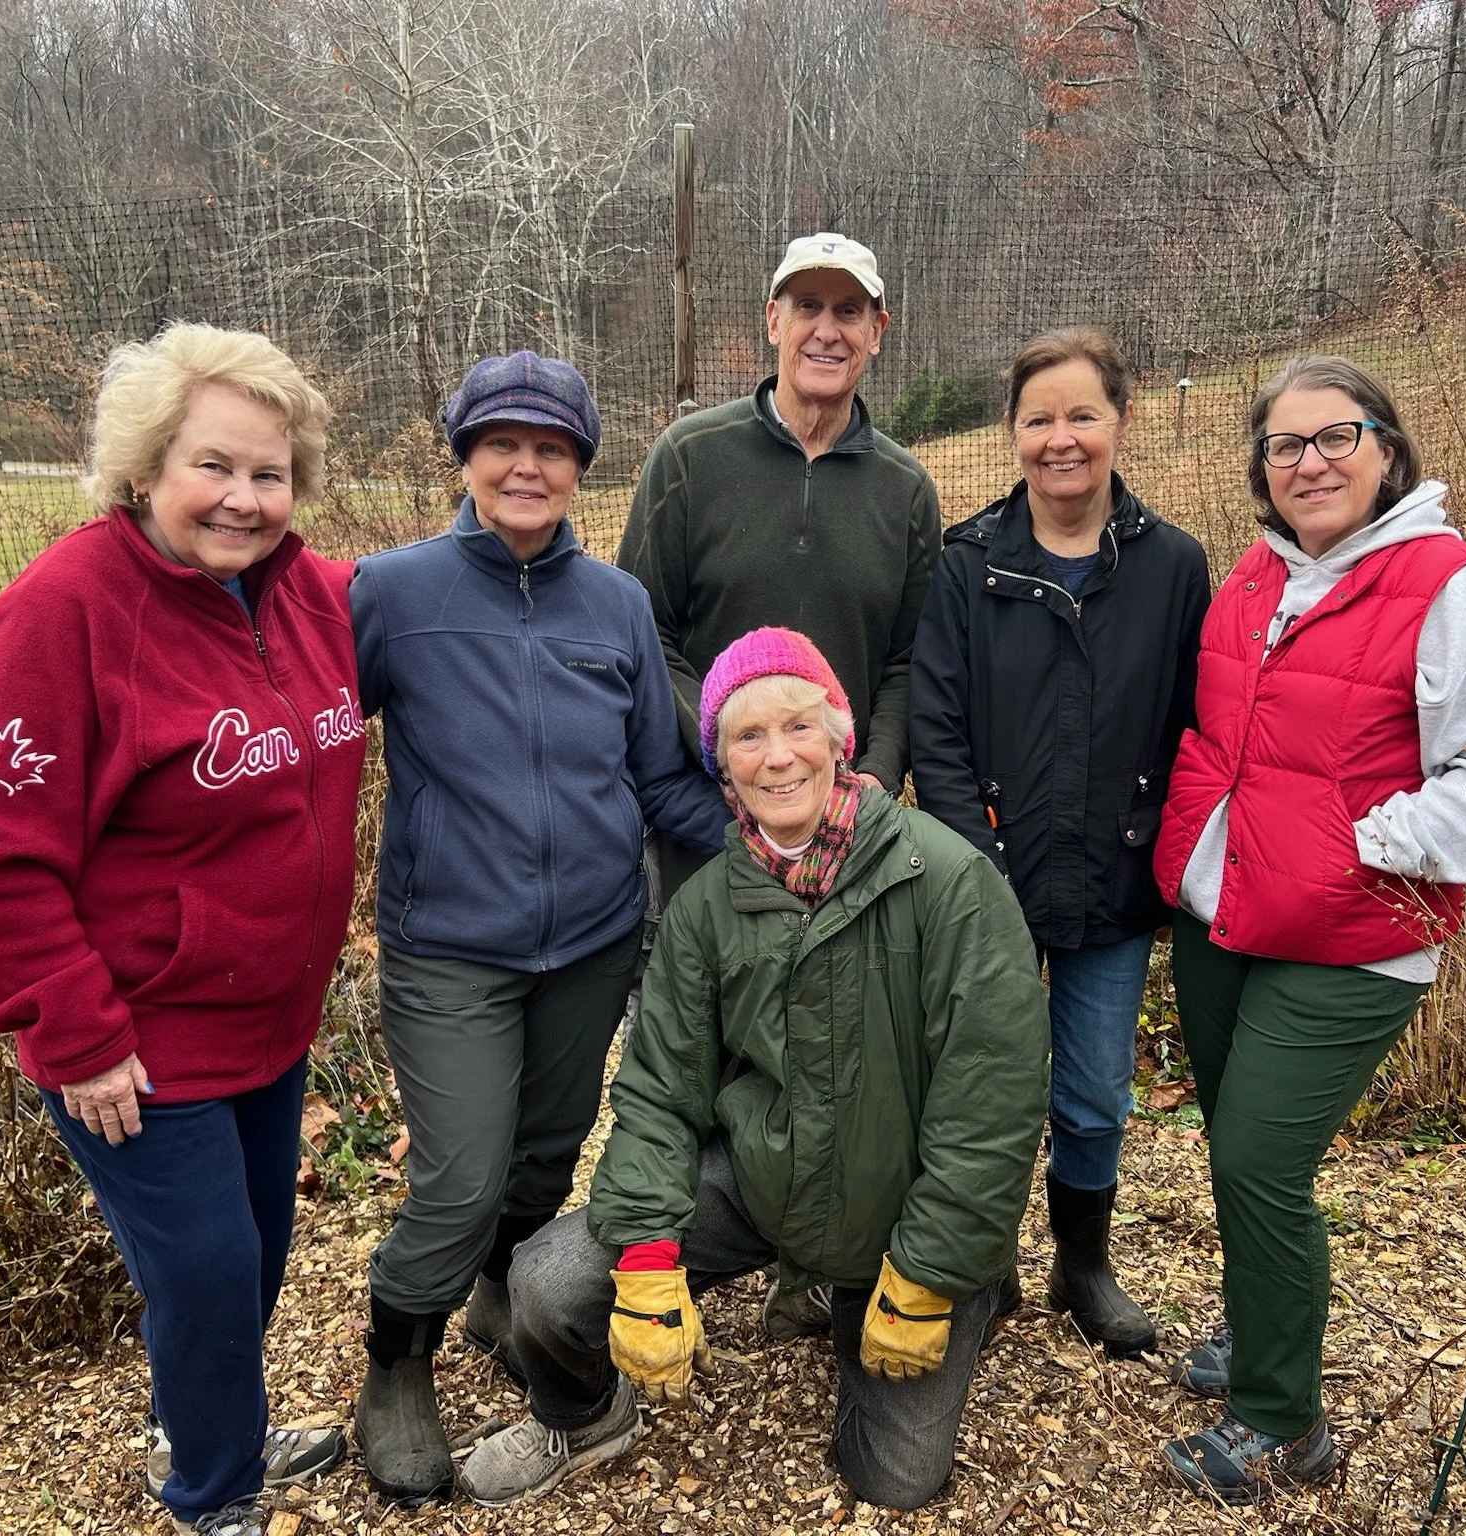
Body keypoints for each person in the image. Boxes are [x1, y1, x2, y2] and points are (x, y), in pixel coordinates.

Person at [0, 323, 360, 1536]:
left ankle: (200, 1409)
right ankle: (213, 1494)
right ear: (144, 466)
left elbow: (428, 604)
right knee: (209, 1270)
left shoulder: (305, 597)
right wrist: (71, 1029)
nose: (242, 498)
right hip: (136, 1040)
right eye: (212, 465)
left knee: (260, 1251)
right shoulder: (59, 616)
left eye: (268, 473)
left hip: (267, 1018)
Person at [455, 627, 1049, 1512]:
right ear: (721, 769)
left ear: (841, 737)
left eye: (799, 727)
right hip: (765, 1177)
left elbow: (993, 1101)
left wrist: (932, 1265)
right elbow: (659, 1090)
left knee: (894, 1479)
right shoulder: (703, 909)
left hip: (901, 1200)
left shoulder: (952, 881)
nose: (779, 759)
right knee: (545, 1283)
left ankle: (964, 1283)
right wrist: (651, 1253)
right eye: (747, 737)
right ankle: (583, 1417)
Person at [1150, 355, 1466, 1504]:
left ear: (1385, 448)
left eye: (1334, 437)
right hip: (1226, 914)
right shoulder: (1254, 576)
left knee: (1257, 1159)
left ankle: (1284, 1422)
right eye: (1283, 446)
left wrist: (1369, 847)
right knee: (1233, 1152)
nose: (1308, 463)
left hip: (1349, 934)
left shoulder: (1450, 583)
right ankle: (1259, 1336)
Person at [347, 351, 732, 1505]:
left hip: (594, 941)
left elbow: (660, 778)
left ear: (578, 469)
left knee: (548, 1152)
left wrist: (777, 844)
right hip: (450, 946)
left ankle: (497, 1290)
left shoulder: (615, 605)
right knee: (458, 1178)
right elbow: (306, 740)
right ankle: (395, 1365)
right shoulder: (392, 592)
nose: (526, 465)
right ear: (463, 454)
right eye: (501, 442)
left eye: (551, 447)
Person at [618, 232, 942, 1337]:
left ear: (877, 334)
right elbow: (640, 626)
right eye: (805, 305)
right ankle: (684, 1248)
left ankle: (819, 1258)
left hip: (844, 825)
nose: (826, 328)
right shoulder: (689, 456)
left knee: (839, 1039)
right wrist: (725, 754)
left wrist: (875, 779)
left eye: (849, 311)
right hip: (710, 820)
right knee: (705, 1035)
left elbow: (906, 656)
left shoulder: (902, 487)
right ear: (768, 321)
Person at [909, 327, 1210, 1357]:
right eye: (1038, 418)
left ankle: (1081, 1263)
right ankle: (979, 1262)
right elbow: (936, 734)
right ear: (1010, 433)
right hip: (985, 871)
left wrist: (1164, 851)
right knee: (978, 1081)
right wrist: (971, 862)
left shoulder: (1170, 566)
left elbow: (1189, 724)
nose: (1060, 438)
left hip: (1112, 873)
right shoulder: (964, 562)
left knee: (1089, 1087)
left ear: (1119, 422)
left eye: (1081, 414)